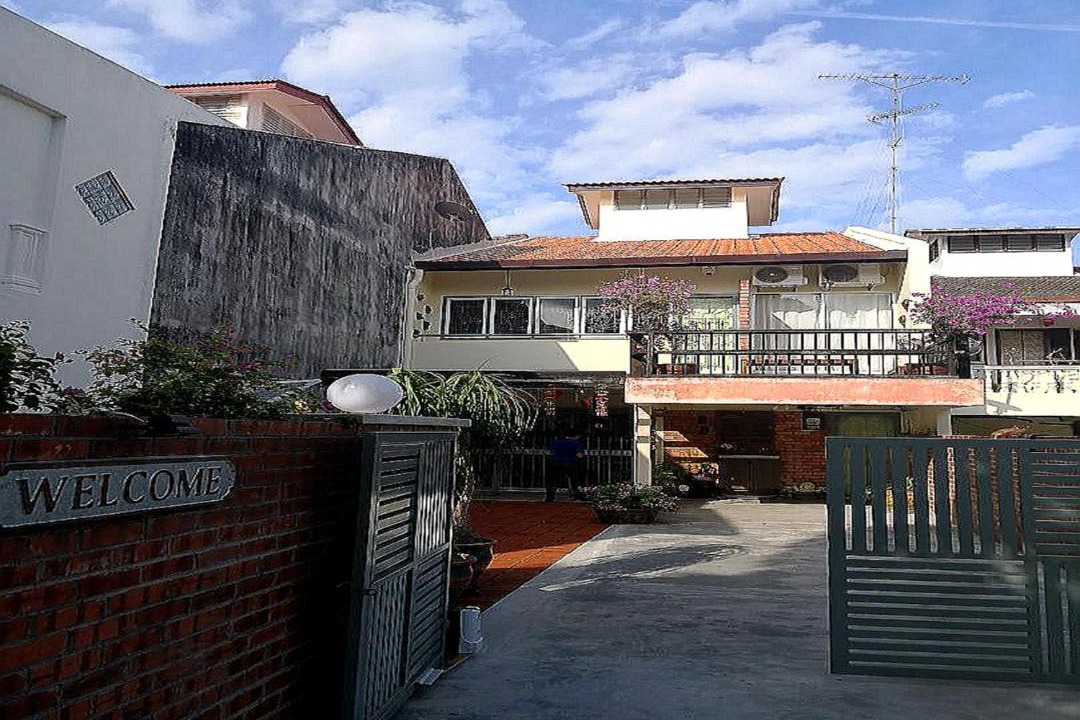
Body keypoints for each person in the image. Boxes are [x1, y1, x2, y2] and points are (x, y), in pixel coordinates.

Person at [545, 431, 585, 502]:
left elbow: (548, 452)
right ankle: (577, 495)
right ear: (576, 436)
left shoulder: (556, 442)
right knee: (574, 481)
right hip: (570, 464)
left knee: (552, 481)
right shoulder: (575, 443)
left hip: (556, 463)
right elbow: (580, 455)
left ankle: (550, 497)